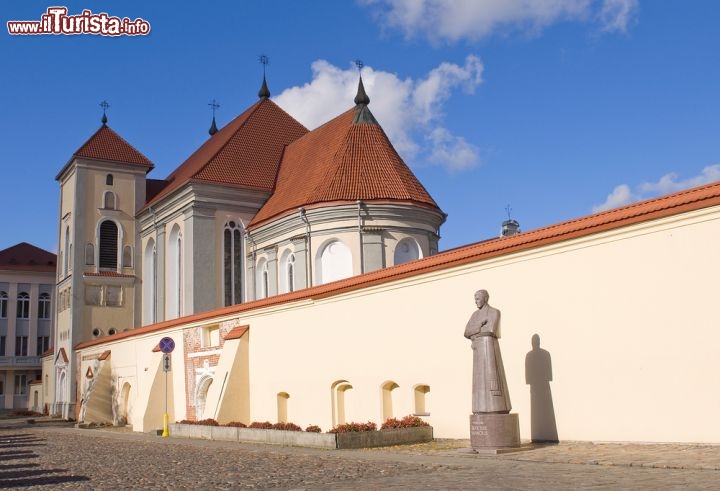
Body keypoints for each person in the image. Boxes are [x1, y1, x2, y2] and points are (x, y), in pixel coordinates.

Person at [464, 289, 511, 414]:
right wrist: (479, 325)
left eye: (478, 298)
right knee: (479, 382)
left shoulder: (494, 312)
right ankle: (480, 409)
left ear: (486, 298)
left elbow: (490, 329)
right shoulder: (475, 315)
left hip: (489, 348)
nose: (476, 301)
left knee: (492, 378)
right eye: (475, 299)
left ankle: (497, 407)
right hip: (478, 351)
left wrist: (475, 333)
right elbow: (466, 332)